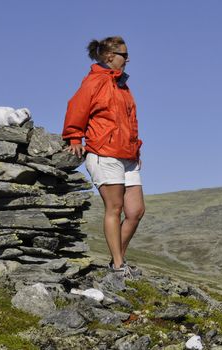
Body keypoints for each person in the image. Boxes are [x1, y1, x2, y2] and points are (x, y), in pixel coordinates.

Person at [62, 36, 145, 277]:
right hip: (103, 153)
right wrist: (74, 137)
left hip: (127, 156)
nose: (127, 59)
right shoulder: (94, 81)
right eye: (124, 54)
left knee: (135, 212)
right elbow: (76, 107)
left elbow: (130, 121)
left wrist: (135, 148)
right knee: (115, 207)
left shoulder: (122, 84)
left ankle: (116, 260)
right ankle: (119, 266)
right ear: (109, 56)